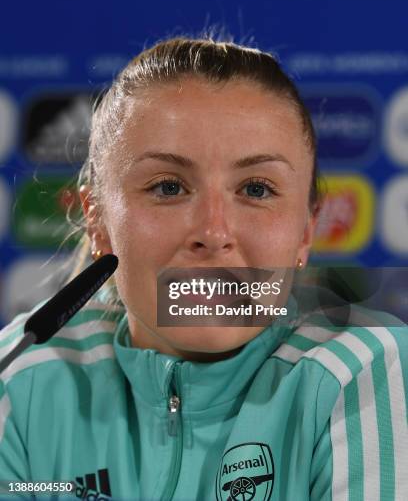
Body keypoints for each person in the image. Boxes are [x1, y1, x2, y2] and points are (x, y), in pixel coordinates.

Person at [0, 37, 407, 501]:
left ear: (306, 231)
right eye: (169, 187)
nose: (213, 233)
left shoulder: (366, 375)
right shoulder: (21, 377)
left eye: (256, 189)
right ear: (99, 221)